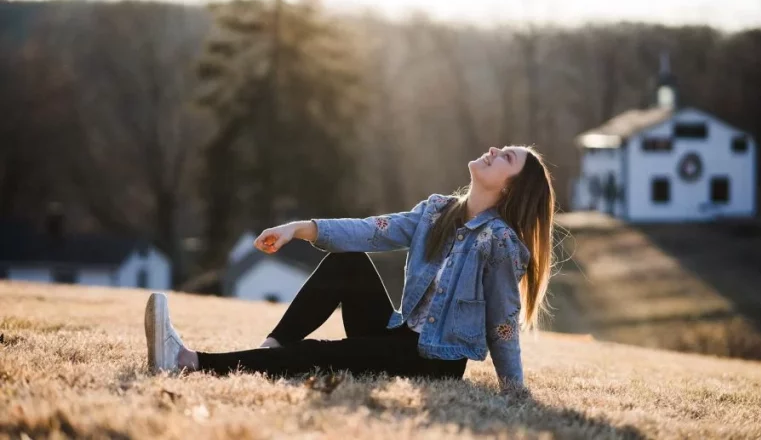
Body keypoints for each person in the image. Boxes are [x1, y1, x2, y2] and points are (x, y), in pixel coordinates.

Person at [145, 145, 555, 394]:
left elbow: (502, 321)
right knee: (348, 261)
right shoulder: (437, 212)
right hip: (398, 334)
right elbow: (371, 231)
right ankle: (269, 352)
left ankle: (188, 361)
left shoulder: (499, 242)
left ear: (510, 188)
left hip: (432, 361)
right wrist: (299, 229)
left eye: (506, 157)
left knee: (319, 355)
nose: (494, 150)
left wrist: (514, 388)